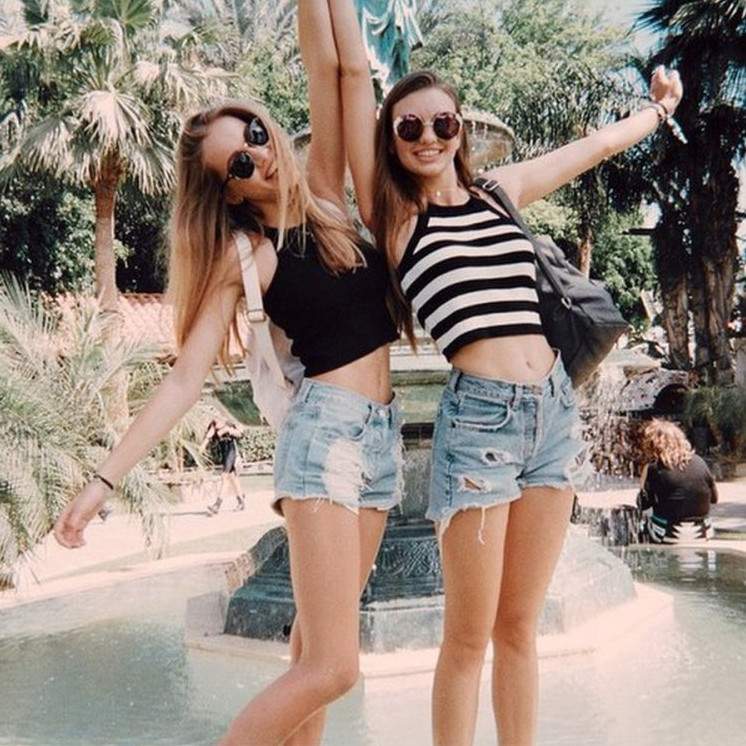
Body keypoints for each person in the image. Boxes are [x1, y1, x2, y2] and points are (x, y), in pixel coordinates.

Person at [325, 2, 682, 743]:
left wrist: (656, 111)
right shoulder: (395, 216)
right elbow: (354, 73)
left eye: (442, 122)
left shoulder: (497, 192)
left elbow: (590, 148)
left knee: (520, 627)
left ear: (460, 130)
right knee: (467, 637)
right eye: (410, 127)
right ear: (392, 140)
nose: (428, 137)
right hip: (481, 424)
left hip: (554, 413)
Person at [53, 1, 403, 743]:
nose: (259, 156)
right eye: (239, 164)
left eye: (255, 135)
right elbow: (184, 380)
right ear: (231, 192)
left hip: (381, 437)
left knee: (312, 648)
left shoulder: (329, 197)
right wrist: (103, 481)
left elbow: (335, 70)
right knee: (335, 668)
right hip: (326, 443)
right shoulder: (249, 254)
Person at [637, 419, 718, 543]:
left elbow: (643, 505)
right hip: (702, 533)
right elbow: (714, 499)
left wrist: (643, 480)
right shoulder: (700, 462)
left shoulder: (654, 468)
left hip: (668, 533)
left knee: (639, 524)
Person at [202, 418, 246, 514]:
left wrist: (229, 430)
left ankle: (217, 505)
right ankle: (241, 501)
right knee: (233, 478)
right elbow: (208, 437)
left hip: (231, 453)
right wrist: (202, 447)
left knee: (224, 477)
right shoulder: (213, 427)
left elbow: (240, 433)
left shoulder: (229, 424)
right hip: (225, 455)